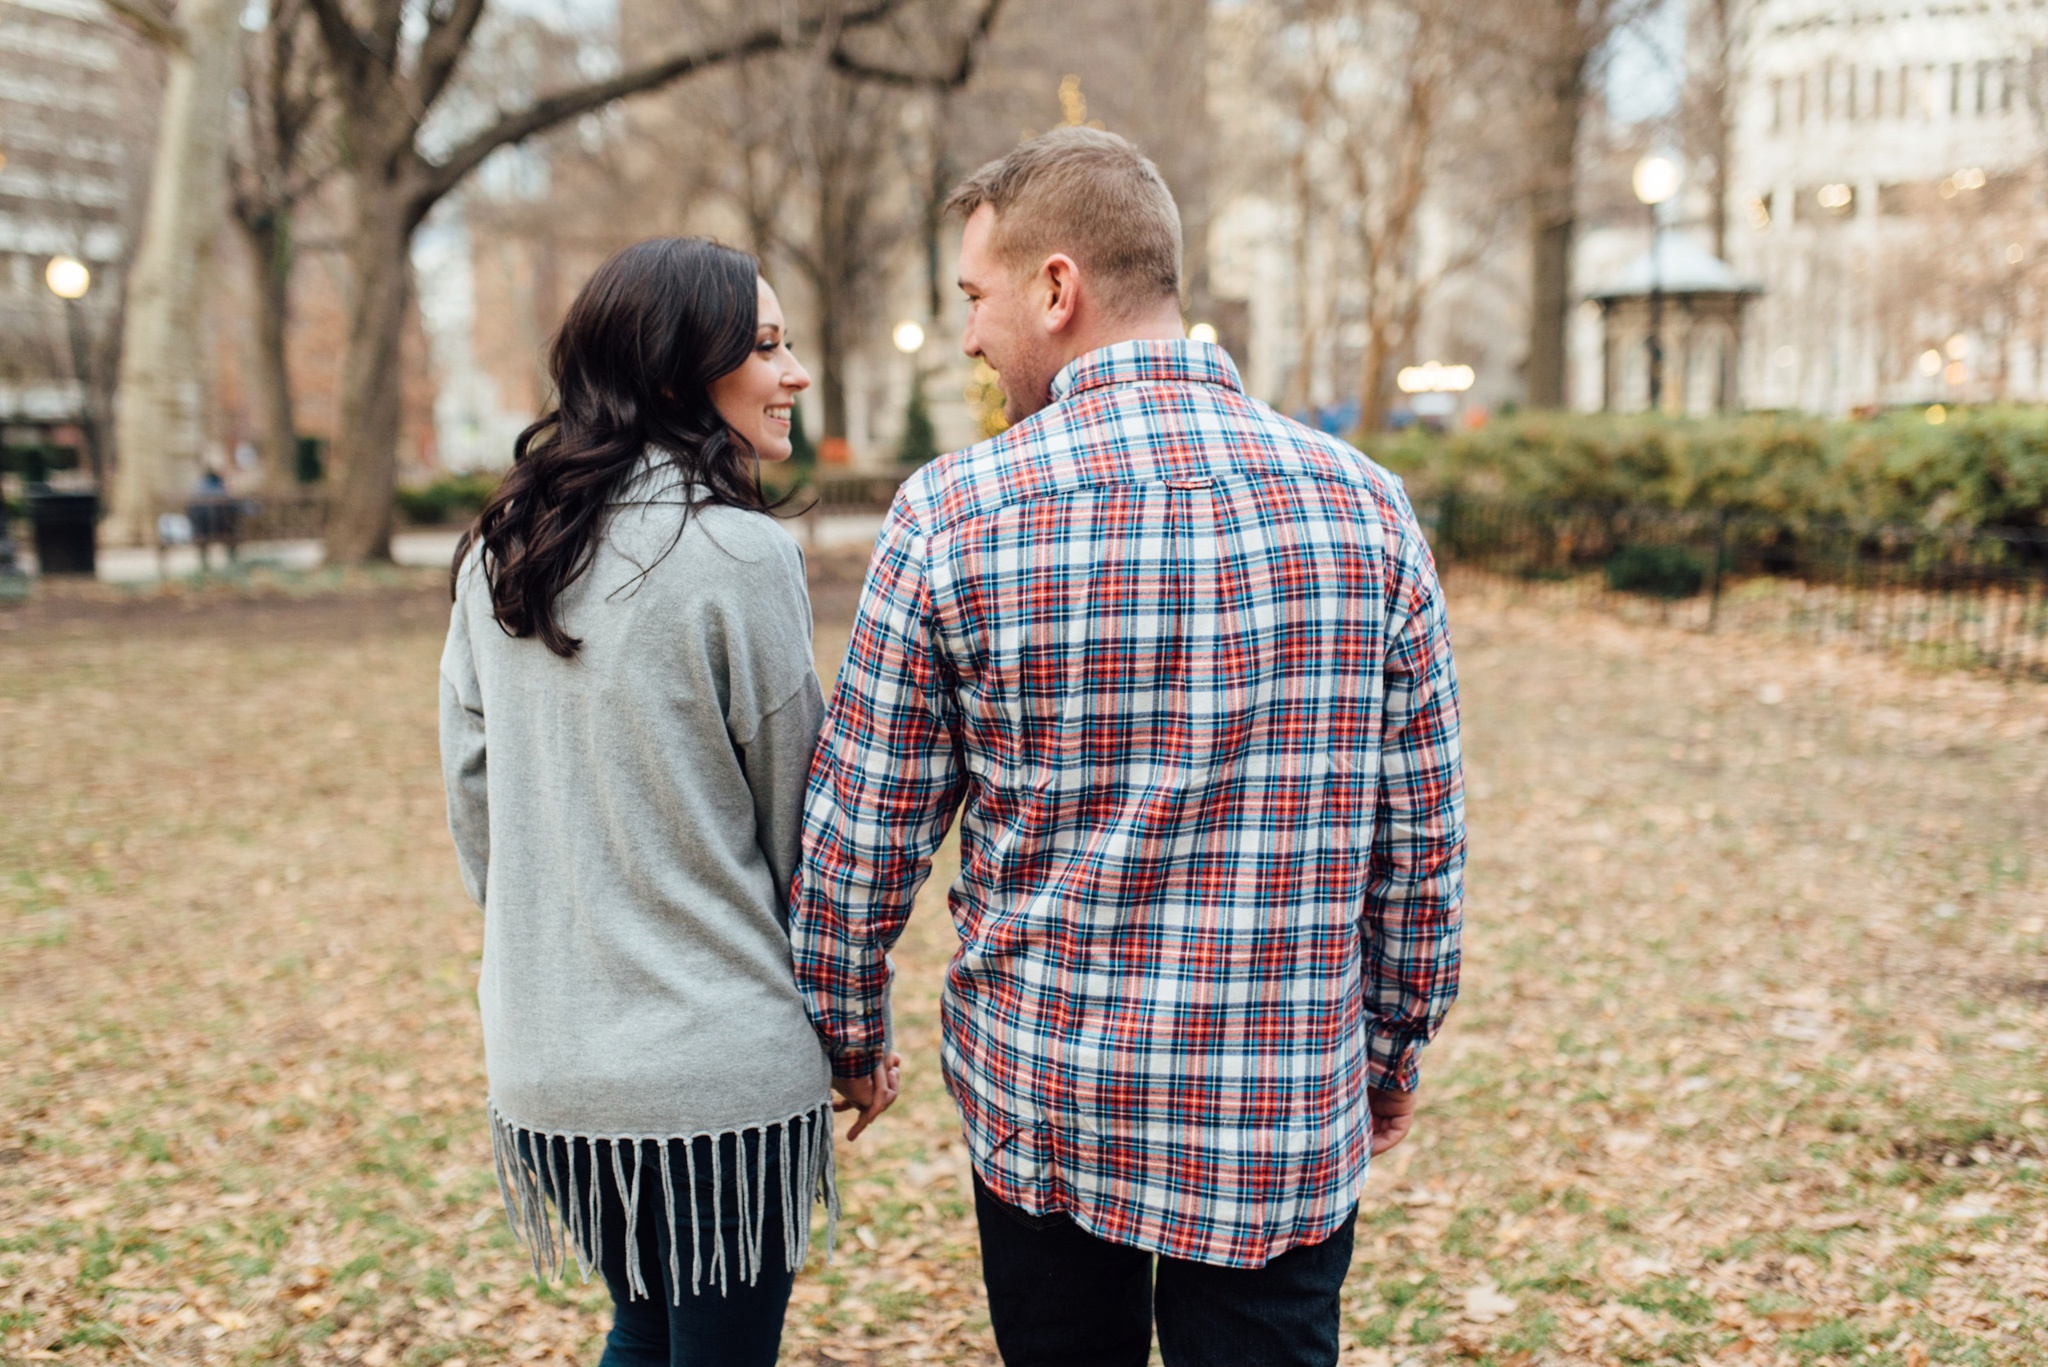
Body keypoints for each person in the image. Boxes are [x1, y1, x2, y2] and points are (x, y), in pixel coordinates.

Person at [791, 128, 1466, 1367]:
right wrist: (1394, 1043)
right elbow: (1419, 834)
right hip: (1275, 1110)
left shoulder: (954, 514)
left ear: (1057, 289)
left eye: (974, 298)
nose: (967, 336)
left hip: (1050, 1104)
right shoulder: (1365, 507)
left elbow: (862, 826)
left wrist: (845, 1022)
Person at [438, 236, 897, 1367]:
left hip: (549, 1062)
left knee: (642, 1326)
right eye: (765, 347)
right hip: (715, 1078)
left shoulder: (505, 549)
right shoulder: (737, 554)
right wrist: (850, 1033)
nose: (792, 374)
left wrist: (559, 940)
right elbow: (806, 825)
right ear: (673, 372)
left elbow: (471, 791)